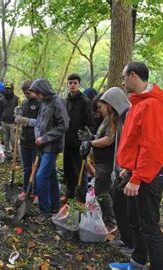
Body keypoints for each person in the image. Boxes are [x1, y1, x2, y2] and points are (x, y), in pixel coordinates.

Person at [110, 61, 163, 270]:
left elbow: (152, 147)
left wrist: (137, 177)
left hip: (149, 176)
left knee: (150, 228)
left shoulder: (152, 105)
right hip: (137, 172)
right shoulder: (138, 103)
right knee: (135, 222)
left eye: (124, 76)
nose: (123, 80)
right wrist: (129, 168)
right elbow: (136, 142)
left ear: (133, 75)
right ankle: (137, 263)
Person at [79, 87, 131, 234]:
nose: (99, 110)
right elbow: (101, 137)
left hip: (109, 161)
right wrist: (91, 138)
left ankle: (111, 222)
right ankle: (108, 218)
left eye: (101, 106)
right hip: (102, 161)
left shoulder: (115, 119)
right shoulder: (107, 119)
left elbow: (109, 140)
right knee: (103, 191)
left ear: (109, 104)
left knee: (102, 191)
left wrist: (91, 143)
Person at [29, 78, 69, 224]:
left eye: (37, 92)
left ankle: (44, 211)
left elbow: (63, 125)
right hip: (42, 145)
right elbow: (39, 122)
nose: (36, 96)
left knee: (40, 176)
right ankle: (55, 206)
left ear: (42, 91)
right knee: (51, 176)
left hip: (52, 146)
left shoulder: (57, 101)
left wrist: (45, 138)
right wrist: (37, 136)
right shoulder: (43, 102)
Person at [62, 73, 94, 204]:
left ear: (79, 84)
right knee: (67, 169)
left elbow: (90, 123)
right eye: (70, 83)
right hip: (67, 141)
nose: (72, 85)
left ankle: (80, 198)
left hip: (79, 143)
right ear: (67, 84)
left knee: (80, 171)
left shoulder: (85, 101)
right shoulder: (66, 101)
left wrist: (86, 140)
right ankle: (69, 194)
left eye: (75, 83)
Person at [14, 80, 40, 202]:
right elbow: (19, 118)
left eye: (29, 93)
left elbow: (40, 122)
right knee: (26, 168)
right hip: (24, 140)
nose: (27, 95)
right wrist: (18, 113)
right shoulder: (24, 103)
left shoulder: (40, 103)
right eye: (25, 93)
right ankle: (26, 190)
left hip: (36, 141)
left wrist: (25, 120)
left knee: (37, 169)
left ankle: (37, 193)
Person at [0, 81, 19, 159]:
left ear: (12, 89)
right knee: (5, 139)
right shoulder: (1, 99)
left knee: (13, 140)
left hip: (13, 123)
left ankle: (16, 155)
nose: (8, 91)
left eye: (9, 89)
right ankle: (8, 154)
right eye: (6, 89)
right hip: (4, 122)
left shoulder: (16, 99)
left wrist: (17, 123)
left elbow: (19, 112)